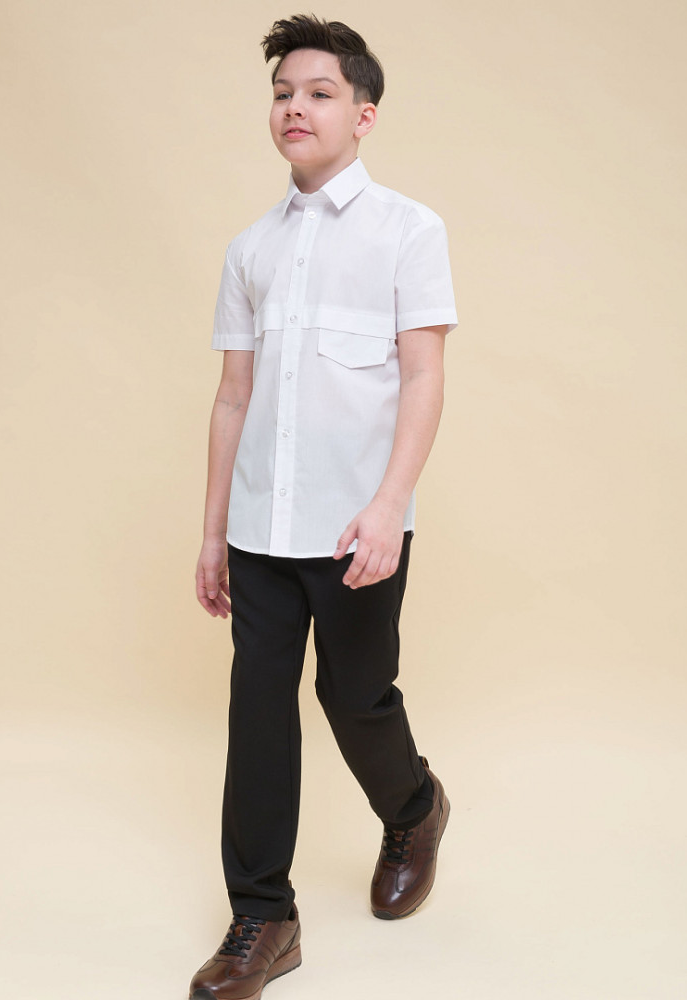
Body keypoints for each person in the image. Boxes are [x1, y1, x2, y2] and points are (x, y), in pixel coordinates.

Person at [189, 13, 458, 1000]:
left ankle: (414, 808)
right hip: (260, 526)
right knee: (259, 710)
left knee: (356, 697)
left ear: (364, 114)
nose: (294, 108)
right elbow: (233, 396)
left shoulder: (409, 231)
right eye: (281, 93)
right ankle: (264, 915)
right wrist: (213, 531)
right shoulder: (250, 248)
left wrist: (389, 506)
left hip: (357, 527)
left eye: (319, 92)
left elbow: (423, 377)